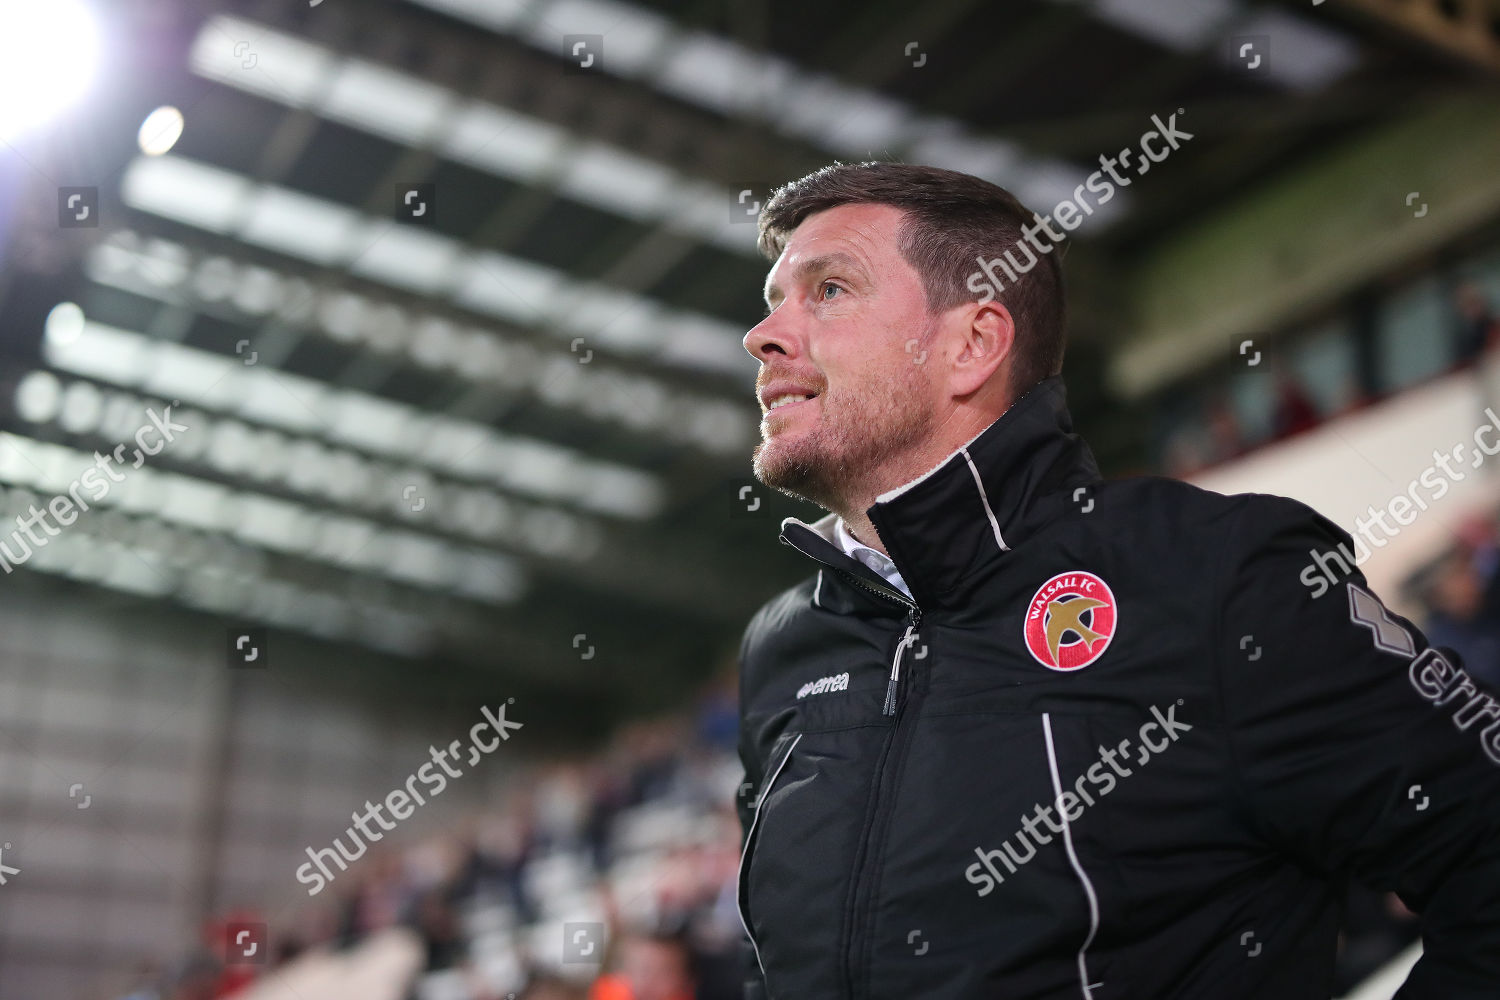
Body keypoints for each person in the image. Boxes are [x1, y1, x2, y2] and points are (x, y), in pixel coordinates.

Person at [732, 161, 1500, 999]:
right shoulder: (784, 650)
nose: (764, 334)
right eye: (774, 299)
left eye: (829, 289)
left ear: (972, 345)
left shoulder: (1217, 576)